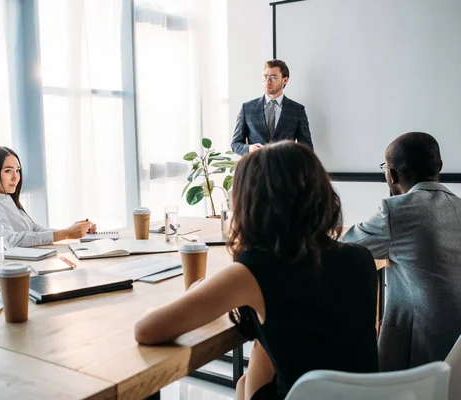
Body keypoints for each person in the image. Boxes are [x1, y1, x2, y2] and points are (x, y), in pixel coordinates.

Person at [135, 142, 378, 400]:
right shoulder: (361, 257)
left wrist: (189, 297)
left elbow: (146, 330)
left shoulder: (256, 269)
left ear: (251, 203)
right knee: (245, 379)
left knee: (247, 380)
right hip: (358, 396)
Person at [343, 132, 461, 372]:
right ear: (439, 166)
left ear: (392, 175)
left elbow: (347, 245)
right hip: (455, 355)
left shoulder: (395, 210)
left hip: (416, 355)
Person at [0, 146, 96, 250]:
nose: (16, 177)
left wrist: (75, 232)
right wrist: (65, 234)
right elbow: (10, 241)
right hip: (11, 272)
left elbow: (35, 230)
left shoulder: (7, 200)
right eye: (8, 171)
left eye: (18, 170)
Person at [231, 59, 313, 156]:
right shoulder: (247, 108)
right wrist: (250, 148)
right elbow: (235, 144)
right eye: (265, 77)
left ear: (285, 80)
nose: (268, 81)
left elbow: (307, 147)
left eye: (273, 77)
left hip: (285, 169)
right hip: (256, 169)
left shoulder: (297, 110)